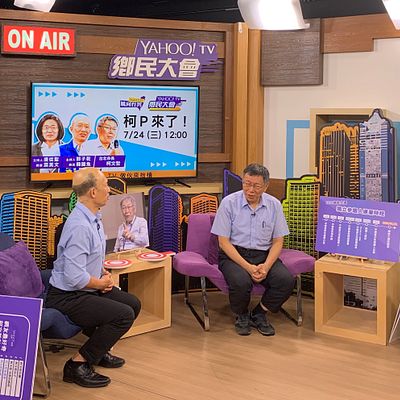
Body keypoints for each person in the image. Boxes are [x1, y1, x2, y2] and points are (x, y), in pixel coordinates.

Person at [46, 167, 141, 388]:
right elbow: (73, 277)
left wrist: (101, 273)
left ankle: (98, 350)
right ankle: (76, 365)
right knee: (123, 315)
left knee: (132, 304)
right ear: (92, 192)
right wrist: (100, 283)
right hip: (67, 295)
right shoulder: (79, 226)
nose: (109, 189)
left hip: (85, 287)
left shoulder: (93, 217)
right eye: (105, 185)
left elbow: (89, 258)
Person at [211, 163, 294, 336]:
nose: (250, 190)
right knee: (241, 282)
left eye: (256, 186)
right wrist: (249, 268)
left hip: (263, 254)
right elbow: (223, 242)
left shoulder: (274, 205)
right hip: (234, 255)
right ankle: (241, 315)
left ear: (265, 186)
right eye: (247, 184)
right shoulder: (229, 203)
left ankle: (259, 313)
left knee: (285, 281)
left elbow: (278, 241)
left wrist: (266, 266)